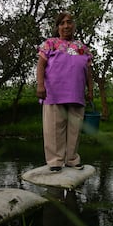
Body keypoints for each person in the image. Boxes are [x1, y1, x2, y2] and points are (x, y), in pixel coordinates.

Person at [36, 11, 93, 172]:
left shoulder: (82, 47)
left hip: (76, 93)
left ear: (73, 25)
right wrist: (40, 85)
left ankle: (72, 159)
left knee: (74, 128)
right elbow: (41, 65)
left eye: (69, 22)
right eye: (62, 23)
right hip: (54, 93)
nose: (66, 26)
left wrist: (90, 90)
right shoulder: (50, 43)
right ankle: (55, 161)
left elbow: (89, 71)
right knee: (54, 128)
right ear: (57, 27)